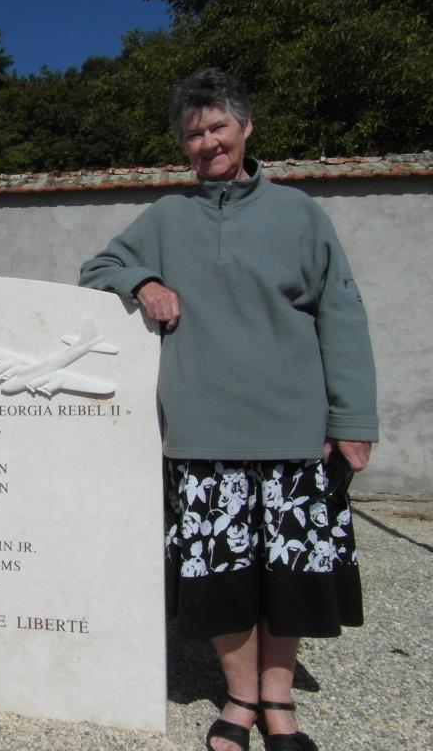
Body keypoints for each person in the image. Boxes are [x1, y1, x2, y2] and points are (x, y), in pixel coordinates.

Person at [80, 69, 378, 751]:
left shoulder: (301, 214)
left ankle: (278, 704)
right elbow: (98, 268)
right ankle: (239, 698)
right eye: (193, 133)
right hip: (202, 436)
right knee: (221, 580)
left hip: (294, 430)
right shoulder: (166, 217)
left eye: (218, 127)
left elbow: (342, 316)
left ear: (245, 129)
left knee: (291, 579)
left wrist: (354, 421)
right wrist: (144, 279)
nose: (207, 142)